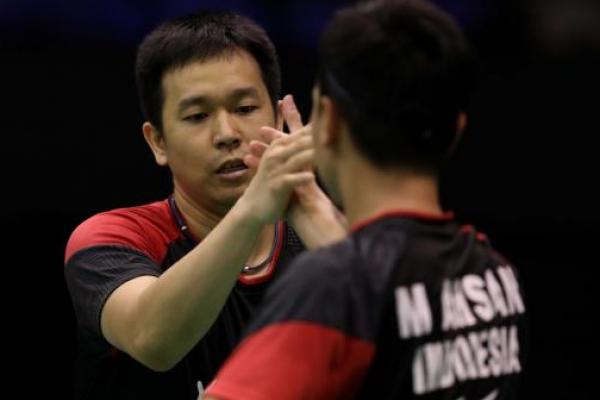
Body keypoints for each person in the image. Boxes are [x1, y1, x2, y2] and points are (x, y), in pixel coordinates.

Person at [204, 0, 528, 399]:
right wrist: (308, 205)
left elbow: (363, 283)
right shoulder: (493, 273)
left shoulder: (331, 283)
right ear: (456, 130)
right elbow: (389, 293)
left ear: (330, 121)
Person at [64, 10, 345, 400]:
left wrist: (312, 211)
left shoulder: (327, 239)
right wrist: (253, 208)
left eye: (245, 109)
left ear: (280, 120)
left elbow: (405, 342)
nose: (227, 134)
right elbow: (154, 341)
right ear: (157, 141)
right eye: (197, 116)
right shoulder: (112, 240)